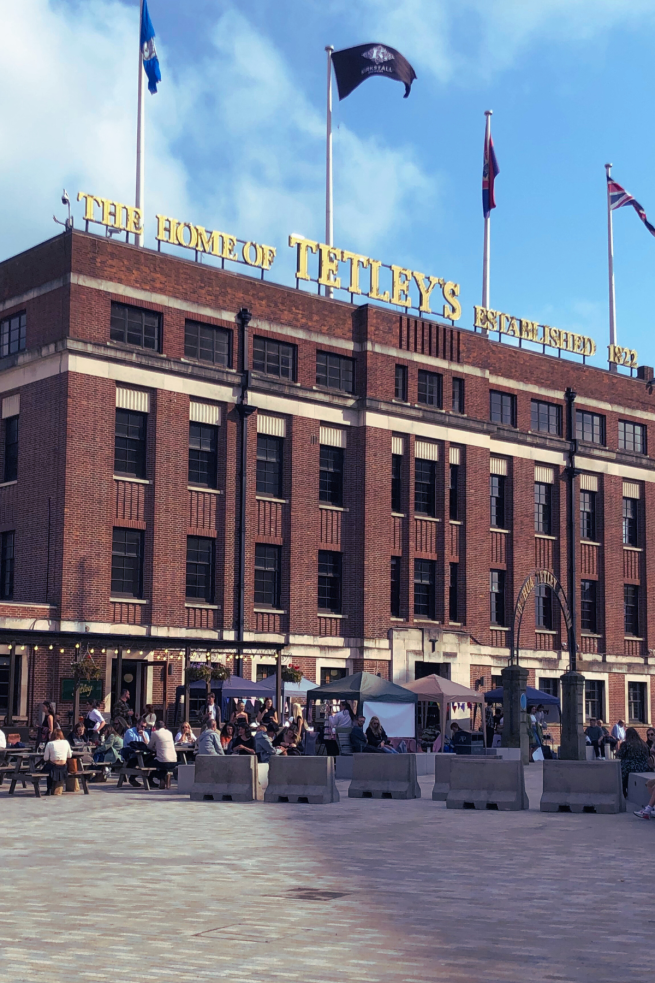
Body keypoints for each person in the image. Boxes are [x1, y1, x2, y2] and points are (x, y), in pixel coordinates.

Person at [617, 727, 651, 797]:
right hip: (644, 766)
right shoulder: (644, 744)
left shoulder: (626, 744)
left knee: (620, 770)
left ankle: (623, 792)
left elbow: (620, 755)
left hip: (629, 767)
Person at [147, 720, 177, 787]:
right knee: (162, 765)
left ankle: (159, 777)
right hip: (174, 761)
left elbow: (149, 746)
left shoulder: (155, 733)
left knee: (147, 763)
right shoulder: (169, 733)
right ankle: (162, 779)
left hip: (163, 761)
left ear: (156, 727)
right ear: (164, 727)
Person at [43, 727, 72, 795]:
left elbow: (46, 758)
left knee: (46, 769)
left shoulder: (50, 743)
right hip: (64, 766)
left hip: (54, 766)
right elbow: (69, 756)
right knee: (49, 768)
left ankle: (49, 789)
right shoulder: (66, 742)